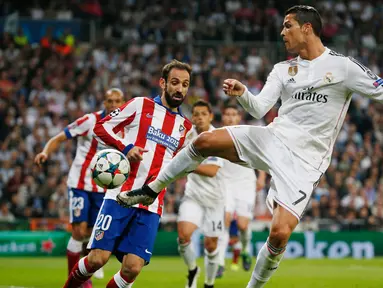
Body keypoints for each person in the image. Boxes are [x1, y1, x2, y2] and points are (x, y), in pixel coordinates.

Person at [116, 5, 383, 287]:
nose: (282, 32)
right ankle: (151, 190)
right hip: (273, 139)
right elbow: (259, 109)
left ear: (307, 28)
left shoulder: (343, 67)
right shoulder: (284, 69)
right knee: (205, 140)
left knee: (279, 234)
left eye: (288, 25)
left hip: (306, 162)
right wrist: (243, 93)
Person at [62, 59, 193, 288]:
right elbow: (100, 127)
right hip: (120, 196)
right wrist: (126, 148)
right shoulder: (140, 105)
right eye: (174, 82)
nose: (179, 88)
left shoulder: (186, 128)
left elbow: (183, 163)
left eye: (185, 84)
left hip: (151, 205)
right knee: (97, 259)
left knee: (132, 268)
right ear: (163, 83)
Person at [35, 88, 125, 284]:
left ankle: (85, 271)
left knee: (95, 234)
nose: (113, 105)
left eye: (117, 101)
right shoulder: (90, 121)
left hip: (104, 189)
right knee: (78, 231)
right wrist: (45, 152)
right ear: (104, 102)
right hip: (80, 184)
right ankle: (76, 280)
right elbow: (60, 137)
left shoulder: (127, 127)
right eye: (109, 100)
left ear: (123, 103)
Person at [177, 100, 225, 288]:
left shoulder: (217, 138)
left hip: (215, 200)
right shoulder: (187, 136)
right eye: (195, 114)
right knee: (183, 236)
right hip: (193, 196)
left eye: (203, 114)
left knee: (211, 246)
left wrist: (186, 165)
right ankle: (192, 270)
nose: (199, 117)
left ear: (211, 116)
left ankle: (209, 283)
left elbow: (212, 170)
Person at [216, 104, 266, 277]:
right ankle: (220, 262)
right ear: (223, 117)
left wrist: (261, 177)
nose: (230, 117)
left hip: (245, 182)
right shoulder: (216, 135)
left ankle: (245, 250)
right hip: (225, 183)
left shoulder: (247, 134)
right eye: (227, 114)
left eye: (233, 114)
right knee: (225, 220)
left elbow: (261, 156)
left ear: (239, 117)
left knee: (243, 225)